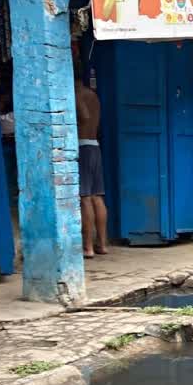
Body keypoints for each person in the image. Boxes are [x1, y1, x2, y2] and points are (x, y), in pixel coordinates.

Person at [75, 68, 109, 258]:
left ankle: (88, 247)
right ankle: (102, 244)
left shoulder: (77, 93)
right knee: (97, 196)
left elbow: (85, 116)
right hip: (94, 146)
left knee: (85, 197)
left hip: (83, 147)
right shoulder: (93, 95)